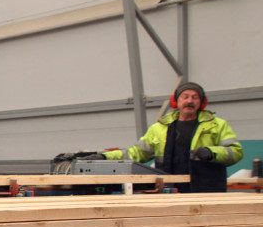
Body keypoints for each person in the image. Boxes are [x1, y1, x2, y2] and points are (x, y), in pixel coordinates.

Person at [95, 82, 243, 192]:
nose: (190, 101)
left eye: (195, 97)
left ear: (201, 102)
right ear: (176, 101)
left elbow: (236, 152)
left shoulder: (218, 125)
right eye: (185, 97)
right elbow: (136, 153)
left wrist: (212, 153)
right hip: (169, 191)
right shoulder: (159, 128)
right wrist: (104, 157)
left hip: (208, 191)